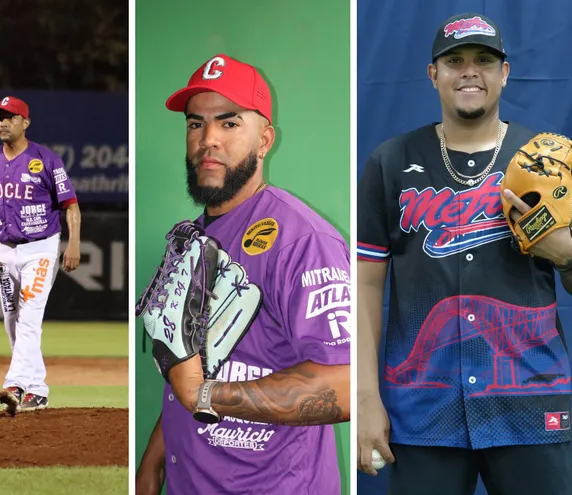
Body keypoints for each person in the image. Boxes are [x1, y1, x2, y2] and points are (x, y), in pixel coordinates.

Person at [357, 12, 572, 494]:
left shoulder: (551, 160)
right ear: (434, 74)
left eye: (483, 60)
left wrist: (566, 255)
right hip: (423, 409)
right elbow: (366, 282)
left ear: (504, 73)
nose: (469, 71)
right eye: (454, 61)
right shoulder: (389, 162)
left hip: (531, 403)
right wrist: (365, 396)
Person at [135, 53, 351, 495]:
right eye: (196, 124)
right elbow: (189, 368)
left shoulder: (303, 240)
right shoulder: (192, 238)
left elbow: (344, 390)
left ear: (265, 139)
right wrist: (154, 462)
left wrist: (204, 396)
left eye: (229, 123)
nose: (208, 139)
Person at [0, 96, 81, 415]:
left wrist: (74, 243)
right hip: (5, 251)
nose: (2, 122)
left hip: (41, 248)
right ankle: (38, 388)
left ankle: (15, 383)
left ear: (25, 122)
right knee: (12, 321)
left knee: (30, 317)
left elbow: (70, 204)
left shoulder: (46, 159)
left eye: (10, 117)